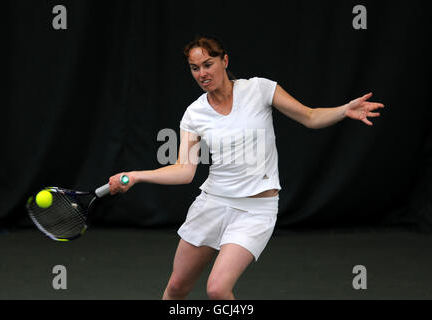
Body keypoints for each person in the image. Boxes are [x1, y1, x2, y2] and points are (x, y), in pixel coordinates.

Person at [108, 35, 384, 300]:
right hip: (212, 205)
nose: (202, 73)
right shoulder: (194, 114)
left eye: (208, 64)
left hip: (256, 211)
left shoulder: (259, 89)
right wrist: (135, 176)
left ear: (224, 61)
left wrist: (344, 109)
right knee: (177, 288)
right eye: (194, 68)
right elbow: (184, 170)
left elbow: (310, 117)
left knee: (217, 289)